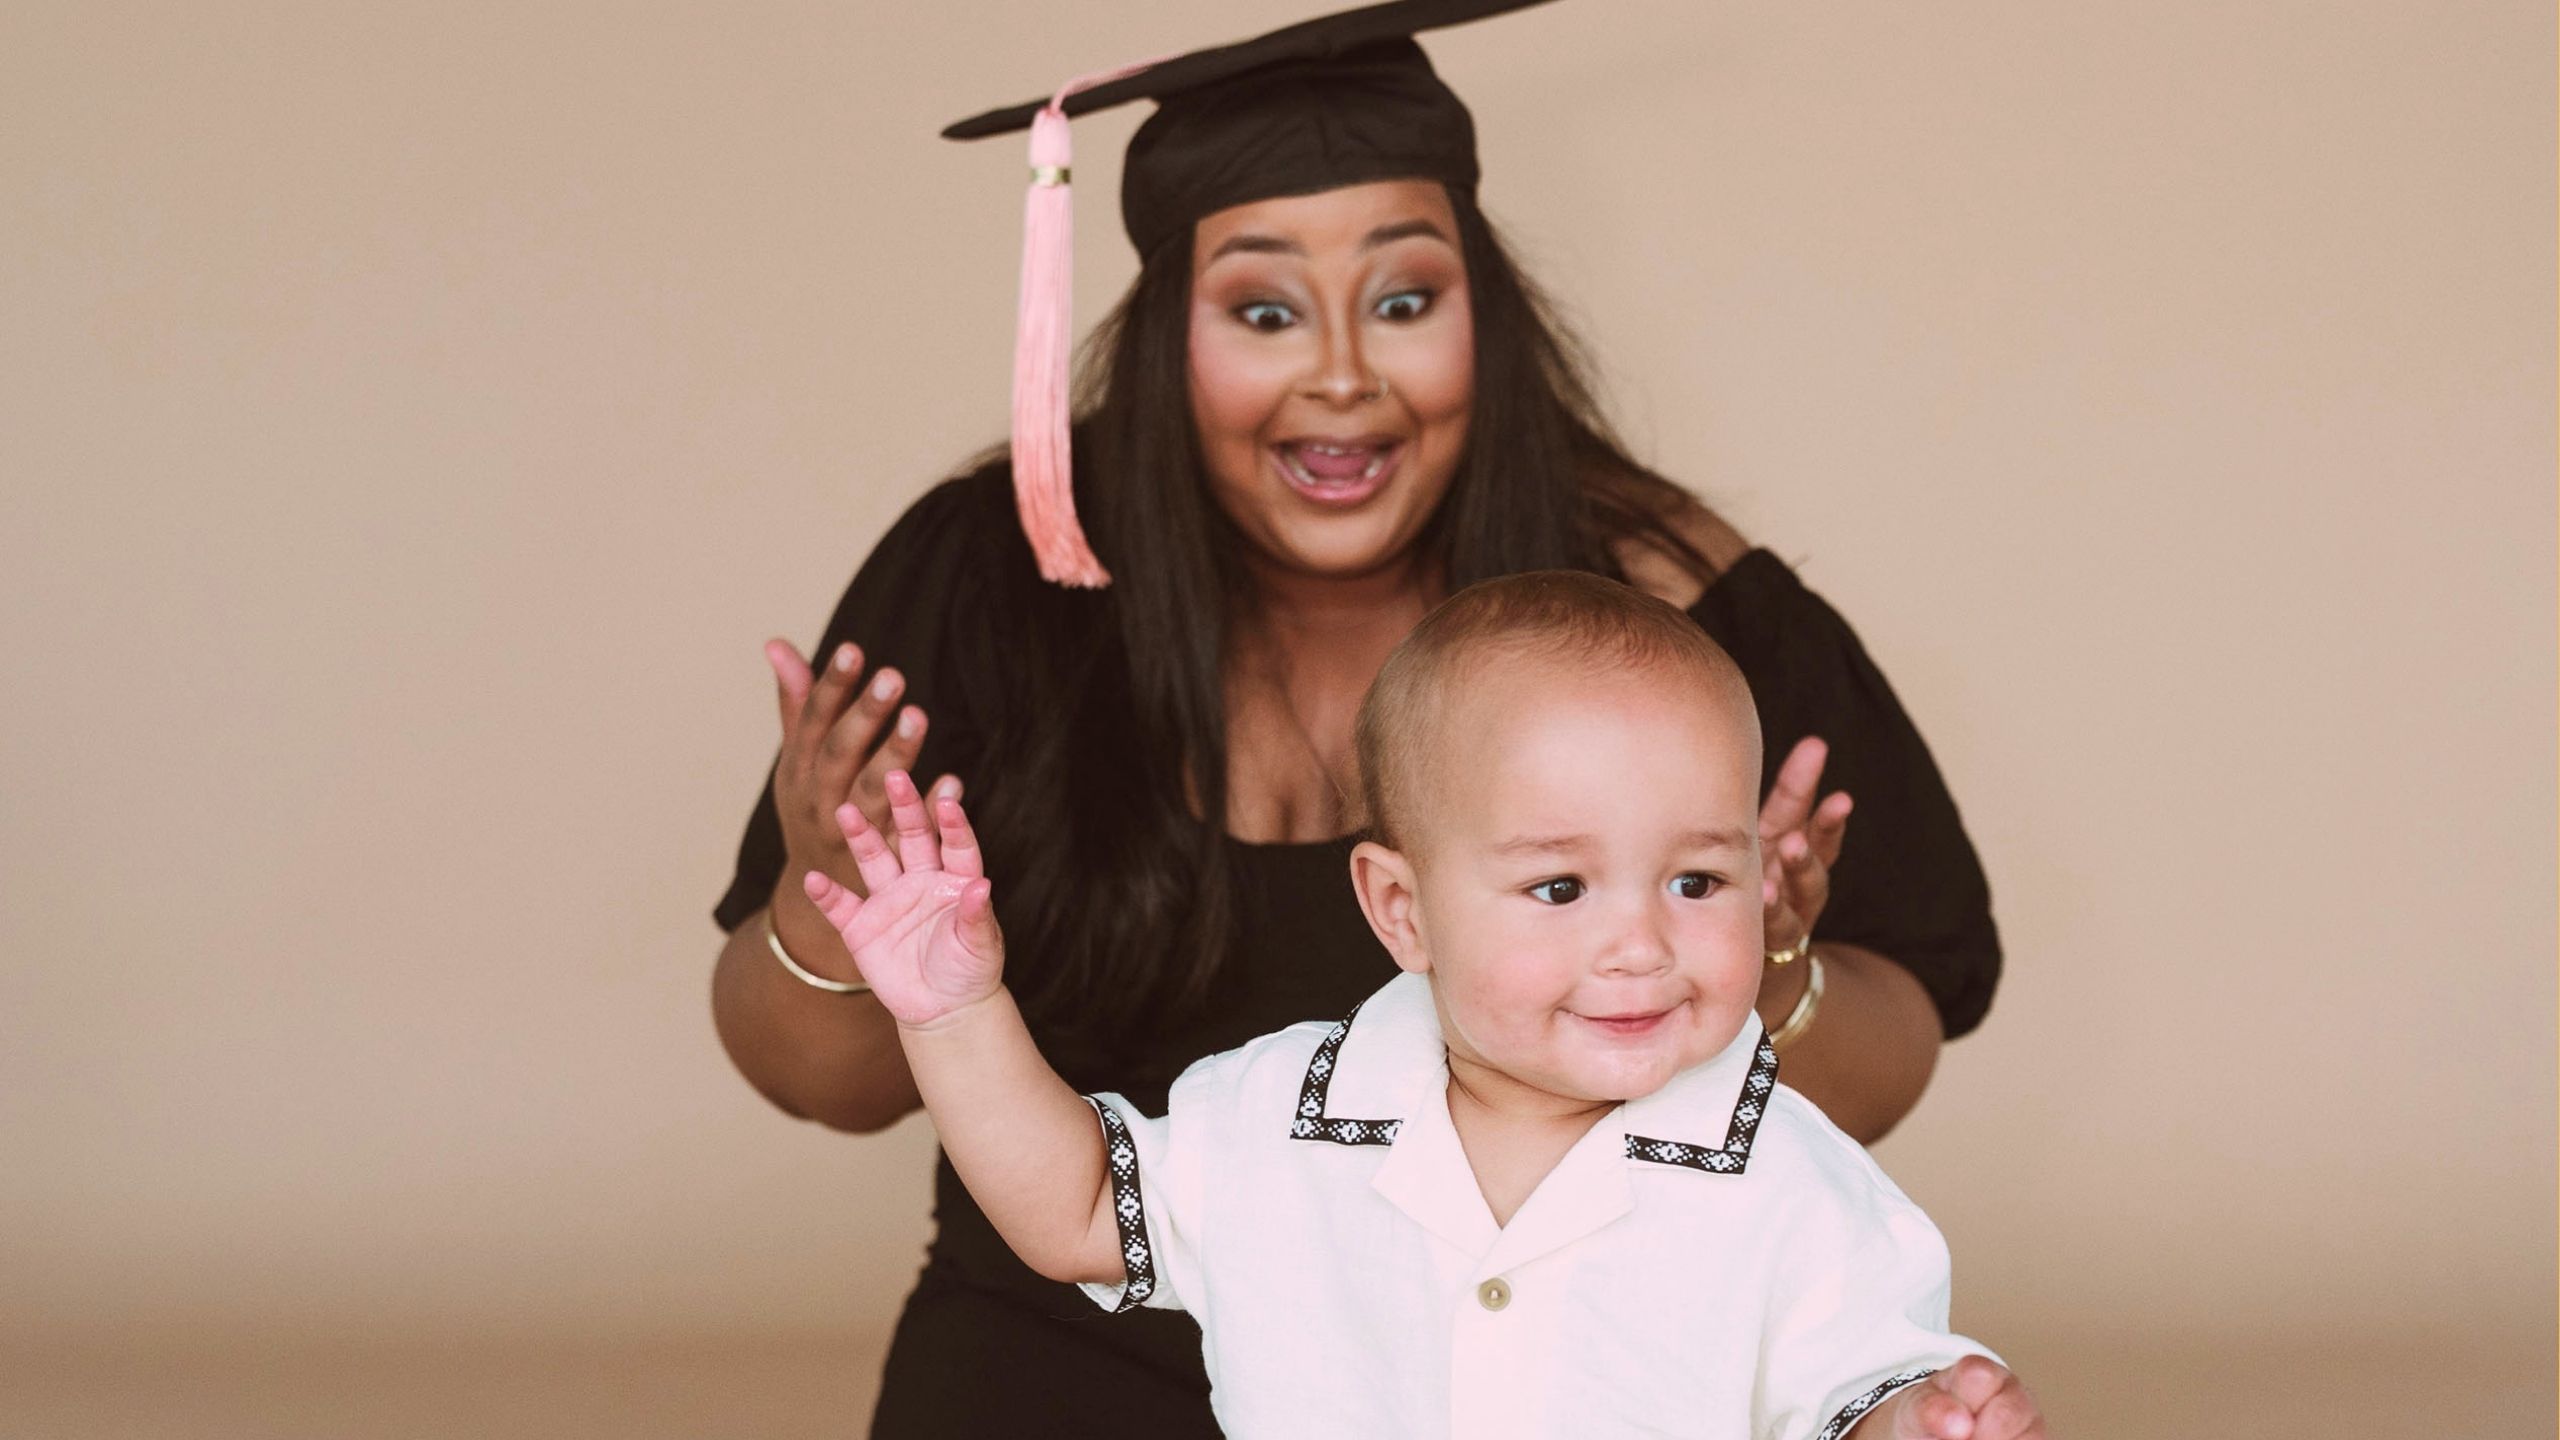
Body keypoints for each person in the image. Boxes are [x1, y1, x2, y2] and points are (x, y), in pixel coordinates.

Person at [709, 3, 2002, 1433]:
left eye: (1404, 300)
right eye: (1263, 311)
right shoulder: (1003, 564)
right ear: (1166, 337)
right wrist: (847, 912)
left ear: (1482, 316)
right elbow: (944, 1141)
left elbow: (1837, 1180)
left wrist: (1737, 962)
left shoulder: (1663, 614)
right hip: (1049, 1370)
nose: (1342, 372)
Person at [796, 571, 2044, 1440]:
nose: (1642, 941)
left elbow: (1858, 1376)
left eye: (1697, 879)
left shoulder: (1784, 1173)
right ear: (1402, 911)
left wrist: (1918, 1422)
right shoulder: (1282, 1115)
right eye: (1559, 884)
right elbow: (1071, 1206)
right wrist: (954, 1013)